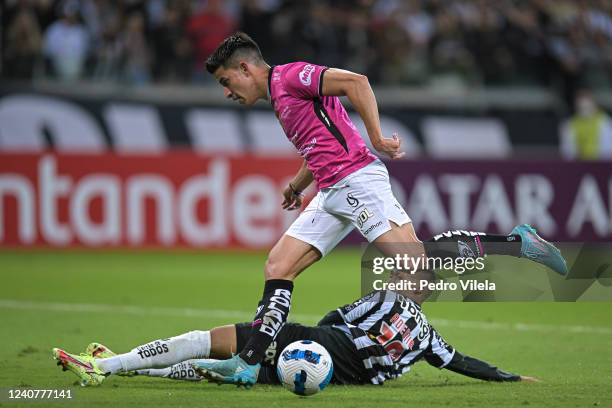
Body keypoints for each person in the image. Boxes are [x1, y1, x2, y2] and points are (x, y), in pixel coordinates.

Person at [193, 32, 567, 387]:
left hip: (356, 179)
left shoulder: (291, 76)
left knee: (416, 272)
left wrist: (375, 137)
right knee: (278, 265)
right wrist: (297, 185)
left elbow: (357, 82)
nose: (226, 91)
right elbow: (317, 144)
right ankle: (249, 360)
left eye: (226, 80)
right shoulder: (280, 98)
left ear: (246, 69)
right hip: (330, 190)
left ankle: (517, 243)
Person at [52, 277, 538, 387]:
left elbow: (333, 320)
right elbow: (464, 363)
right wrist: (511, 379)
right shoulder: (429, 335)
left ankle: (107, 366)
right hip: (328, 377)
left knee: (211, 341)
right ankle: (129, 368)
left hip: (313, 344)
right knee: (219, 373)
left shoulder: (384, 297)